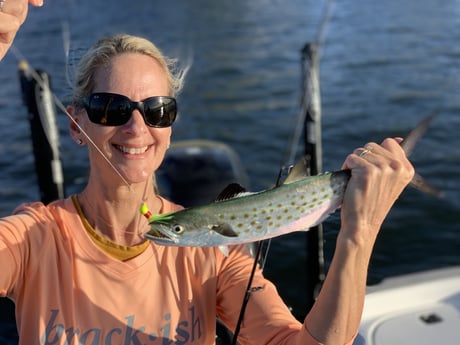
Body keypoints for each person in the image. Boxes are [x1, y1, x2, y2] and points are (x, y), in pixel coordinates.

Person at [0, 34, 414, 345]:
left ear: (170, 125)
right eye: (112, 108)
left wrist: (360, 232)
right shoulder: (30, 239)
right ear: (76, 124)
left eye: (158, 110)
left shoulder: (215, 253)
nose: (136, 127)